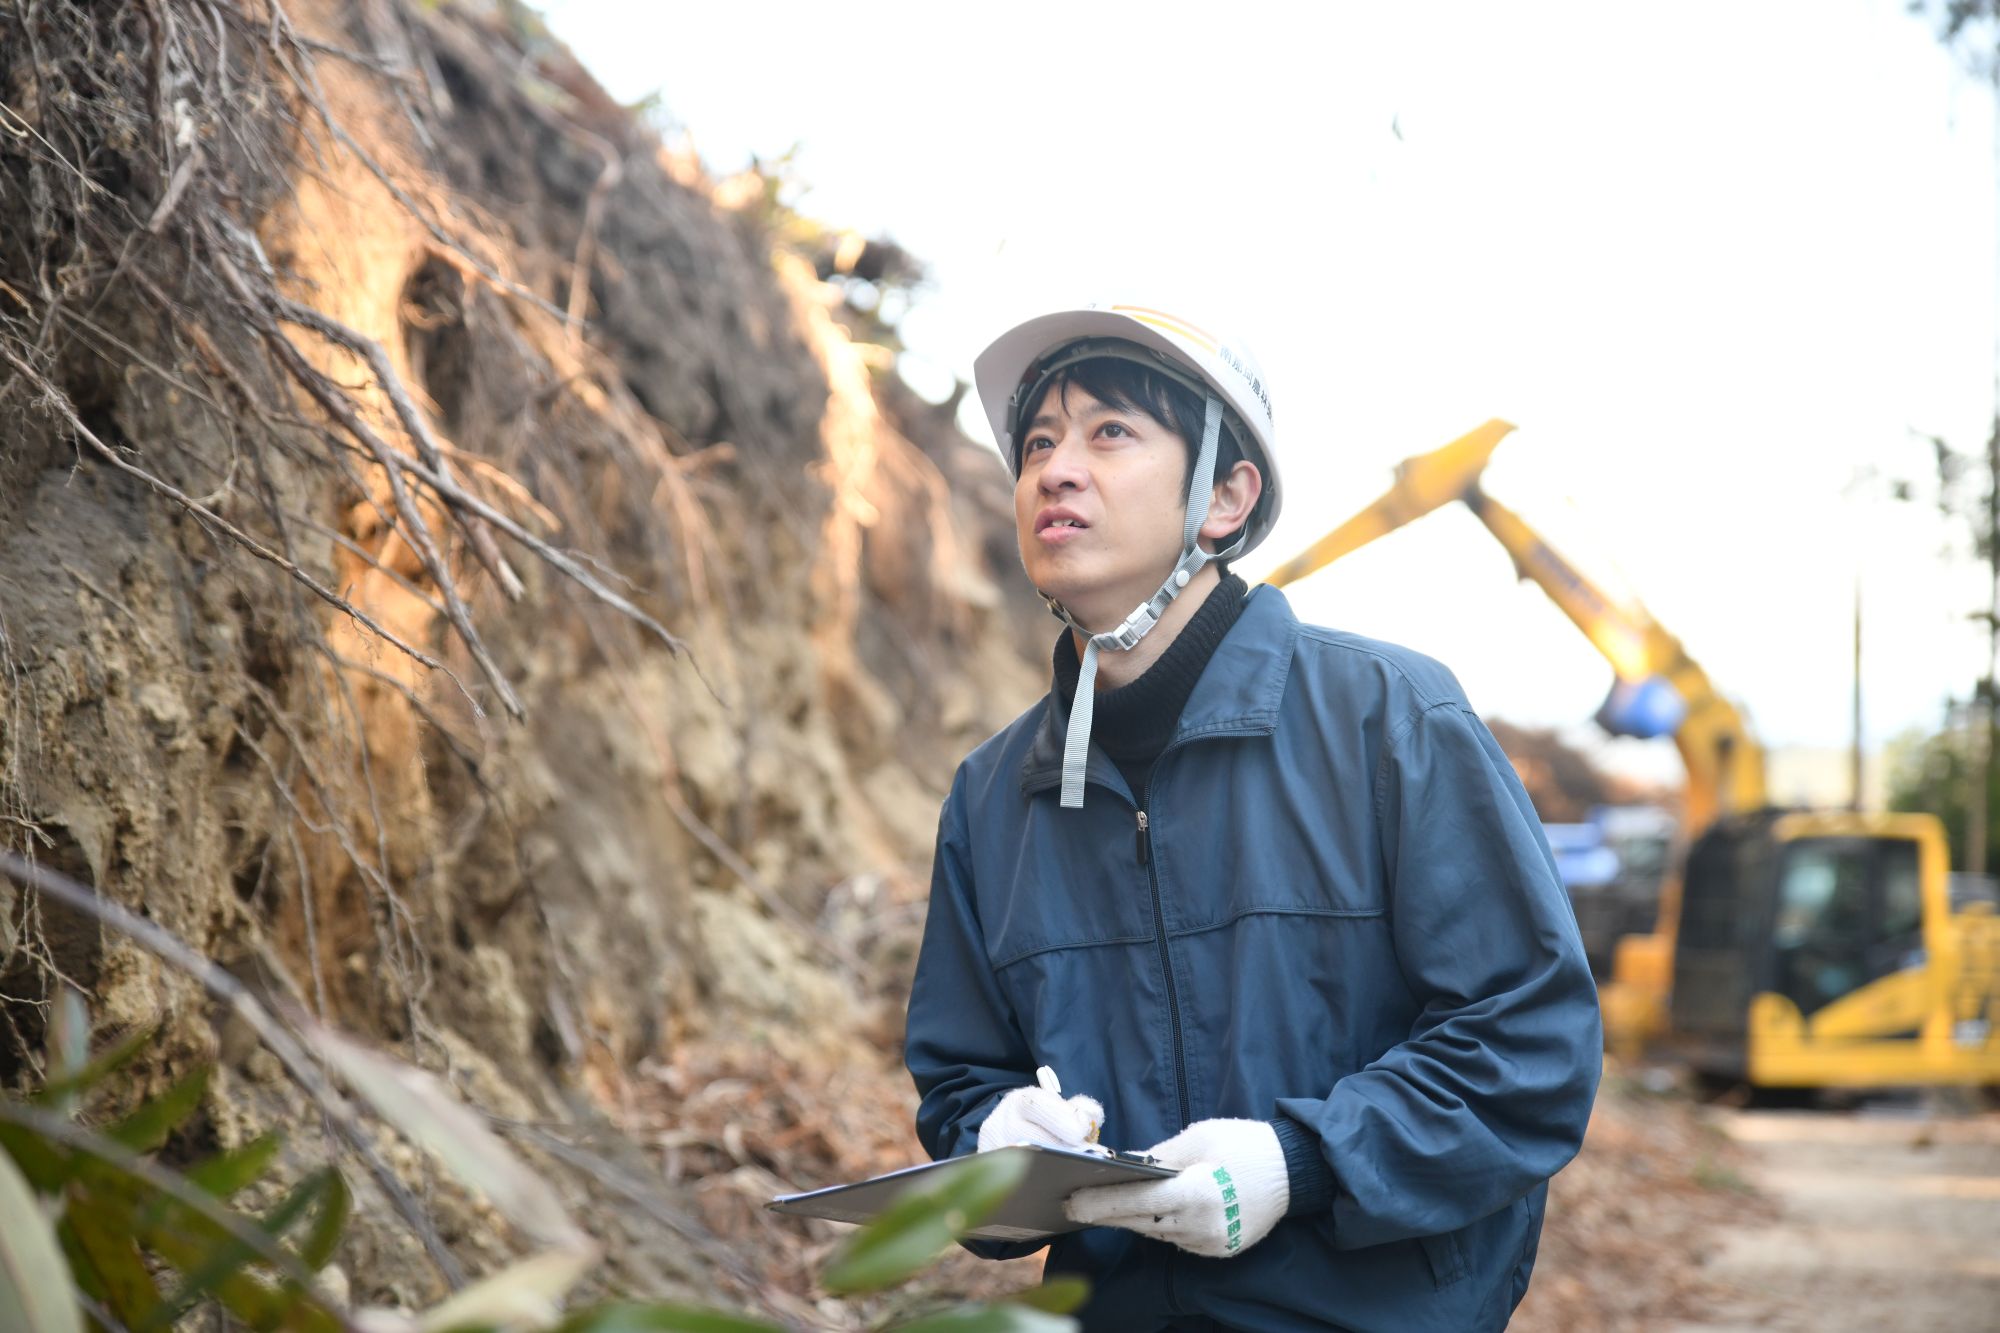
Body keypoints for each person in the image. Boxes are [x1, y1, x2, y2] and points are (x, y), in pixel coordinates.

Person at [904, 303, 1602, 1332]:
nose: (1055, 469)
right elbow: (961, 1075)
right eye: (1038, 442)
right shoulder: (993, 794)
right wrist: (996, 1140)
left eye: (1109, 432)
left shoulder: (1390, 721)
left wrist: (1301, 1160)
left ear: (1225, 495)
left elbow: (1527, 1042)